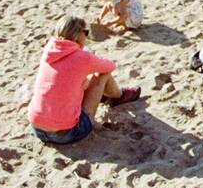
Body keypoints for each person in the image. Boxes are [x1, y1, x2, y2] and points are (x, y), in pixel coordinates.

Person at [27, 15, 141, 146]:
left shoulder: (49, 51)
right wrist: (90, 58)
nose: (87, 37)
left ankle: (109, 95)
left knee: (74, 83)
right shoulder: (82, 58)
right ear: (78, 35)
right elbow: (110, 66)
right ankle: (119, 96)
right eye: (86, 32)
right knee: (102, 74)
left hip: (37, 128)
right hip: (66, 134)